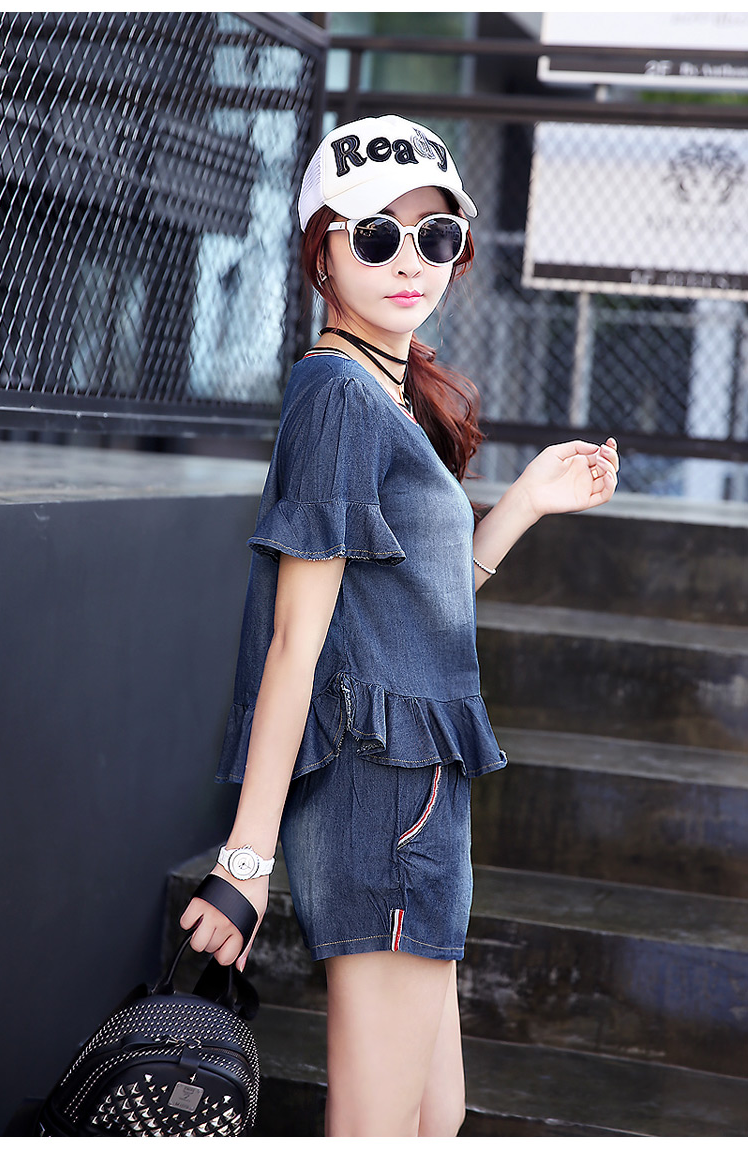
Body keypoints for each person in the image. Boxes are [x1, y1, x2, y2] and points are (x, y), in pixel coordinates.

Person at [180, 114, 619, 1137]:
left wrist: (523, 503)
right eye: (376, 236)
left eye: (436, 235)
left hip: (415, 792)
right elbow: (296, 640)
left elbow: (415, 607)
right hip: (385, 796)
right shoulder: (339, 395)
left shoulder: (384, 394)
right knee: (386, 1128)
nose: (410, 261)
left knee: (431, 1116)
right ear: (321, 254)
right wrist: (245, 862)